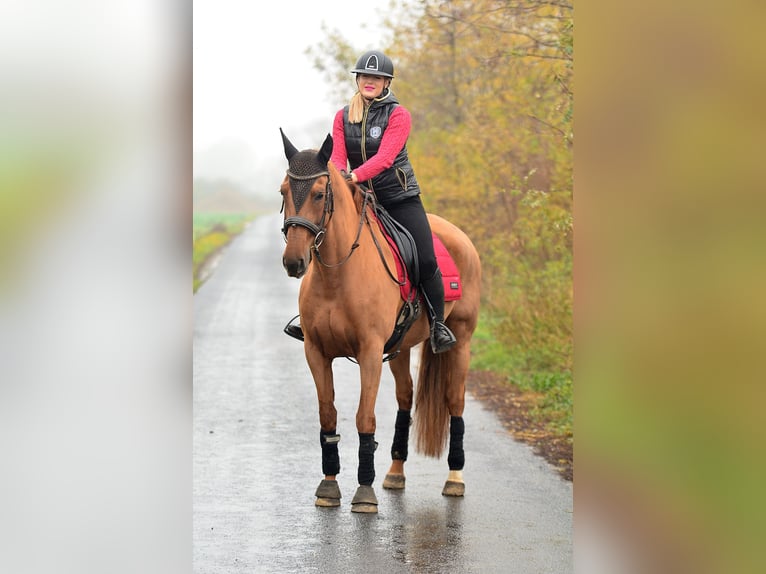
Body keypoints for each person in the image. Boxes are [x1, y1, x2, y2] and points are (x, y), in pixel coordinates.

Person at [331, 50, 457, 354]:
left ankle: (438, 325)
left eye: (376, 77)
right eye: (365, 76)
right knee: (325, 239)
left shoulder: (398, 115)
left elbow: (386, 158)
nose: (370, 81)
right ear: (358, 80)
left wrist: (354, 177)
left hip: (399, 199)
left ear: (386, 82)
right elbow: (337, 156)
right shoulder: (342, 116)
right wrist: (338, 177)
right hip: (358, 199)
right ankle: (315, 316)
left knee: (426, 259)